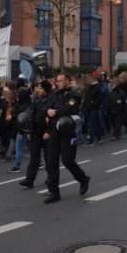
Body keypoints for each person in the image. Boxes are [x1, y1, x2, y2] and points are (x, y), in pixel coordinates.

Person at [41, 73, 90, 204]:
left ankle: (83, 178)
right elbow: (45, 105)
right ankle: (54, 192)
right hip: (54, 131)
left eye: (60, 81)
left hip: (67, 132)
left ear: (68, 81)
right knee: (51, 162)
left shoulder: (74, 95)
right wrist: (48, 111)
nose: (58, 83)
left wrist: (54, 112)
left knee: (68, 160)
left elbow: (69, 108)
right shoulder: (55, 94)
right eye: (57, 81)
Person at [18, 80, 52, 189]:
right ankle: (30, 179)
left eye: (41, 88)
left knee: (49, 156)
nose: (38, 90)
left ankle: (51, 177)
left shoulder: (51, 100)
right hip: (36, 130)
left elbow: (52, 118)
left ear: (46, 89)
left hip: (46, 130)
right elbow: (31, 115)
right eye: (38, 88)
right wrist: (30, 131)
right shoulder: (36, 99)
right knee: (34, 155)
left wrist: (48, 132)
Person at [83, 75, 105, 146]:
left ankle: (91, 141)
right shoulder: (89, 87)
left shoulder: (97, 87)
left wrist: (94, 103)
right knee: (93, 124)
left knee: (91, 124)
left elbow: (101, 98)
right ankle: (99, 137)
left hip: (94, 108)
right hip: (88, 108)